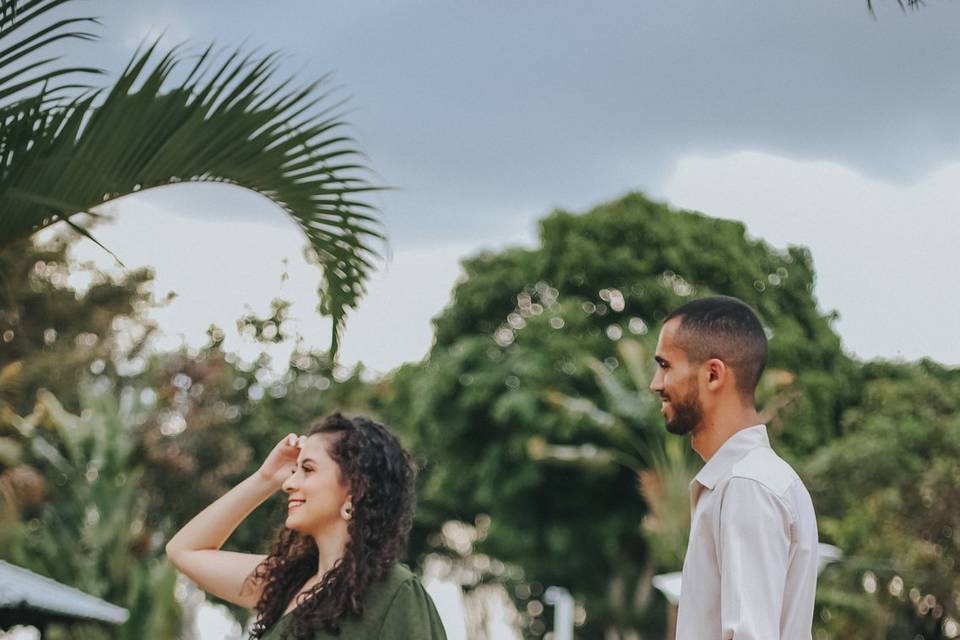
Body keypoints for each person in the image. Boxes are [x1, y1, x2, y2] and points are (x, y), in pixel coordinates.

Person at [165, 413, 447, 640]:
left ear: (355, 486)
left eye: (308, 469)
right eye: (293, 470)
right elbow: (183, 550)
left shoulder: (394, 593)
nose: (289, 483)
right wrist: (265, 478)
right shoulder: (286, 584)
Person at [649, 296, 819, 639]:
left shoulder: (747, 485)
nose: (655, 383)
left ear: (713, 374)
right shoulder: (746, 480)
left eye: (665, 366)